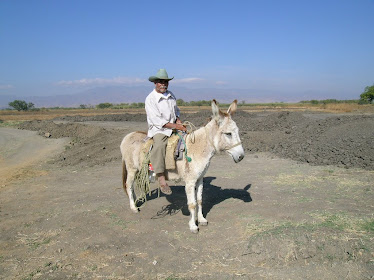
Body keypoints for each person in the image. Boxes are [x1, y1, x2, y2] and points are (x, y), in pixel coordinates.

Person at [145, 69, 187, 195]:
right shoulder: (150, 99)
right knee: (159, 146)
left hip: (173, 126)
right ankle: (161, 179)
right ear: (155, 83)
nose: (163, 84)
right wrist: (175, 126)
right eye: (160, 82)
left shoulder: (171, 95)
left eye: (165, 82)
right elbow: (158, 121)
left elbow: (176, 111)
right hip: (160, 129)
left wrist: (178, 121)